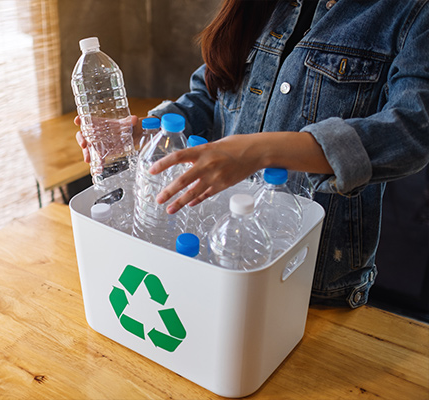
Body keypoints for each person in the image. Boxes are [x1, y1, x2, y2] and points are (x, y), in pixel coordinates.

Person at [76, 0, 429, 308]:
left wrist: (258, 152)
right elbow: (210, 95)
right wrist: (147, 131)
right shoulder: (265, 7)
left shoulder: (411, 11)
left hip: (315, 282)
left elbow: (412, 130)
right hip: (220, 255)